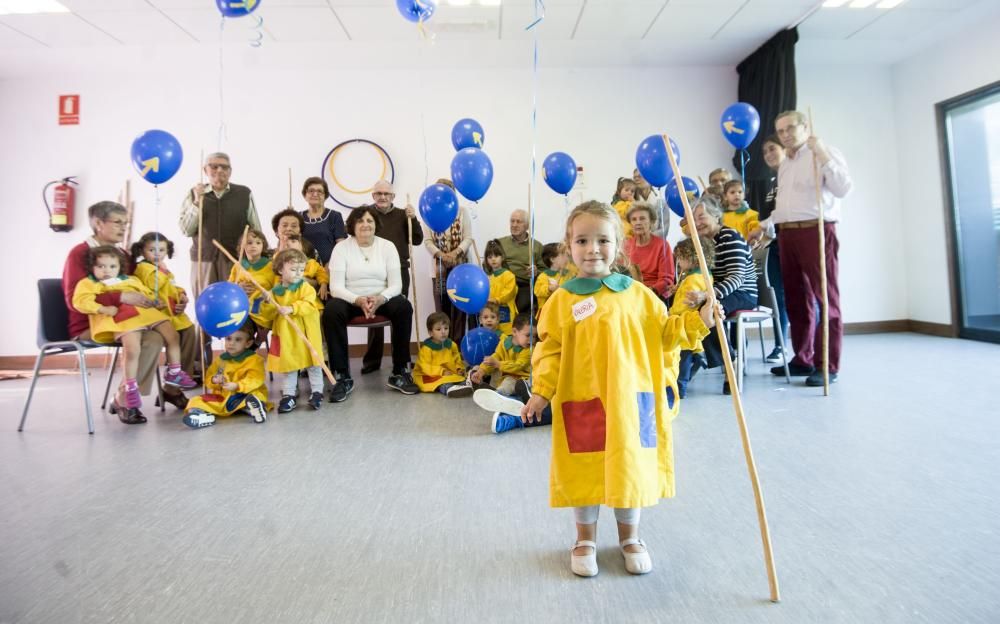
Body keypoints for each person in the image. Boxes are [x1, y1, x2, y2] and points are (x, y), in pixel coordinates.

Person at [520, 200, 716, 578]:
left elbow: (667, 335)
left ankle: (631, 538)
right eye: (582, 240)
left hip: (629, 401)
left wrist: (700, 320)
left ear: (619, 244)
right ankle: (585, 539)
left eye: (602, 240)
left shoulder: (638, 295)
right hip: (583, 399)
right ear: (568, 245)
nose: (592, 249)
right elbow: (549, 349)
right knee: (585, 469)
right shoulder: (562, 301)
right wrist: (542, 390)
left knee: (629, 467)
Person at [748, 111, 853, 386]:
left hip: (816, 230)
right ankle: (803, 358)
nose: (785, 135)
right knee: (796, 299)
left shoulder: (824, 153)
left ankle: (828, 364)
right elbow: (784, 209)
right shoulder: (786, 164)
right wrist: (764, 225)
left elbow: (843, 188)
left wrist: (823, 155)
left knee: (825, 298)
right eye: (780, 131)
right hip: (788, 234)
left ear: (804, 127)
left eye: (790, 128)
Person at [62, 201, 189, 422]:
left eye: (126, 223)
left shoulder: (122, 253)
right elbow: (74, 300)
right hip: (92, 324)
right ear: (98, 223)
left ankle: (169, 389)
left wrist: (176, 296)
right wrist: (119, 297)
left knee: (181, 330)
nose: (124, 227)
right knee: (151, 339)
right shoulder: (80, 253)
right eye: (118, 222)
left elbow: (139, 285)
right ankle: (124, 398)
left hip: (129, 318)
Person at [72, 246, 197, 422]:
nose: (107, 271)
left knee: (173, 335)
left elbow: (146, 293)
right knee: (133, 349)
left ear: (119, 267)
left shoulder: (131, 279)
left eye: (112, 267)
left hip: (147, 314)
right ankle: (129, 387)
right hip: (124, 317)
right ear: (92, 267)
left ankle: (174, 372)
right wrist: (102, 308)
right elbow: (80, 301)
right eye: (101, 266)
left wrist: (155, 302)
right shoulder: (89, 283)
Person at [324, 207, 418, 402]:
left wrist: (380, 298)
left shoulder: (387, 246)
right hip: (351, 298)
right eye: (360, 221)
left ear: (376, 224)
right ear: (352, 225)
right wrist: (357, 300)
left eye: (369, 221)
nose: (365, 224)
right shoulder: (341, 249)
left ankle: (400, 371)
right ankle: (342, 375)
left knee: (403, 307)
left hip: (381, 297)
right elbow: (336, 287)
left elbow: (396, 285)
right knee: (332, 311)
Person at [684, 195, 757, 395]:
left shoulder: (729, 236)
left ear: (716, 215)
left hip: (743, 293)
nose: (697, 223)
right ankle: (696, 359)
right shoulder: (703, 242)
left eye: (701, 216)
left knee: (710, 310)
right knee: (687, 309)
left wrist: (708, 295)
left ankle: (730, 364)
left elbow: (737, 277)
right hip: (720, 293)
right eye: (692, 218)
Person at [179, 152, 260, 302]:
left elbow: (255, 230)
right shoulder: (194, 193)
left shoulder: (243, 193)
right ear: (205, 170)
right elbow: (186, 230)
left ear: (230, 171)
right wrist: (197, 202)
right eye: (214, 166)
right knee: (206, 305)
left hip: (235, 259)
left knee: (234, 303)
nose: (219, 170)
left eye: (224, 167)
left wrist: (256, 259)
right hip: (203, 260)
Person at [360, 179, 422, 375]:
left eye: (387, 194)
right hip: (373, 271)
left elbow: (418, 239)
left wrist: (413, 219)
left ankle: (400, 361)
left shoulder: (404, 214)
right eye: (379, 194)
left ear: (393, 196)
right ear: (373, 196)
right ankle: (372, 360)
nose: (383, 197)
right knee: (373, 313)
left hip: (400, 270)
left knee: (400, 314)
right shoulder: (365, 215)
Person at [258, 248, 325, 413]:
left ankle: (317, 392)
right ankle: (288, 396)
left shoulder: (306, 288)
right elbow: (267, 315)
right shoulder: (275, 292)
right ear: (281, 270)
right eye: (293, 269)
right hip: (287, 335)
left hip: (307, 333)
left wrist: (292, 308)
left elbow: (309, 305)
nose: (298, 273)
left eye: (301, 270)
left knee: (313, 364)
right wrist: (267, 302)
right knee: (290, 366)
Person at [130, 232, 198, 378]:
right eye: (151, 250)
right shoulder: (143, 268)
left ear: (167, 251)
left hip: (173, 313)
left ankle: (184, 374)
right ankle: (176, 372)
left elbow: (172, 286)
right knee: (179, 336)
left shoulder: (164, 270)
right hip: (157, 316)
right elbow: (154, 285)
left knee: (190, 331)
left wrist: (182, 295)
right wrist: (162, 270)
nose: (157, 254)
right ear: (142, 251)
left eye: (161, 250)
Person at [183, 320, 269, 427]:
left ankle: (254, 409)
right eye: (228, 338)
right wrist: (214, 380)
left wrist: (238, 386)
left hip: (243, 395)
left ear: (248, 343)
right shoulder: (220, 360)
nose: (231, 343)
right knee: (196, 400)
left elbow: (255, 379)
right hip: (222, 397)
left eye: (238, 340)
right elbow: (208, 378)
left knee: (253, 397)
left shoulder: (254, 360)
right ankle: (200, 416)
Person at [423, 178, 474, 343]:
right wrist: (442, 256)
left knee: (460, 306)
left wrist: (455, 253)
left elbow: (468, 237)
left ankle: (457, 344)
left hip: (462, 268)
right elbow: (428, 241)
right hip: (439, 268)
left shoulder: (462, 211)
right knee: (442, 307)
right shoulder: (429, 211)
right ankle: (442, 343)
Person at [757, 134, 789, 364]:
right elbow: (768, 218)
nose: (768, 154)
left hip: (794, 242)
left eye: (772, 149)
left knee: (797, 297)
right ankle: (780, 345)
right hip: (776, 247)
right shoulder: (771, 183)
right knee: (778, 297)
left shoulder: (792, 177)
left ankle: (808, 351)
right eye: (765, 152)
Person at [671, 236, 716, 398]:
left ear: (693, 258)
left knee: (682, 358)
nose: (679, 263)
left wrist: (670, 314)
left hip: (685, 323)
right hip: (694, 324)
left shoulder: (692, 280)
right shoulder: (704, 275)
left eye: (681, 258)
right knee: (690, 353)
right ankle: (699, 359)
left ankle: (680, 388)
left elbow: (686, 302)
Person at [412, 312, 474, 398]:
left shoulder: (451, 345)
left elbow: (457, 359)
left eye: (446, 328)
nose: (443, 332)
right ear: (430, 332)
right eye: (438, 329)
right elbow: (425, 366)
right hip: (428, 374)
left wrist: (459, 368)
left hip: (448, 373)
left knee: (460, 378)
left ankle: (466, 385)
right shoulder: (426, 349)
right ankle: (449, 389)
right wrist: (441, 372)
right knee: (442, 383)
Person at [497, 209, 545, 317]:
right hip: (503, 284)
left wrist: (536, 272)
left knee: (524, 301)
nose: (514, 225)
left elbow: (546, 271)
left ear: (527, 226)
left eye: (519, 222)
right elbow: (487, 265)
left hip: (525, 286)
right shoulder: (499, 243)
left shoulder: (536, 246)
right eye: (512, 221)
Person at [470, 313, 532, 394]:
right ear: (514, 332)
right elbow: (496, 356)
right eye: (528, 335)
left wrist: (498, 364)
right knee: (488, 368)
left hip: (523, 379)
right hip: (506, 376)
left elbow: (518, 365)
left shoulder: (529, 349)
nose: (531, 340)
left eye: (534, 336)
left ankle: (497, 393)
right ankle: (484, 385)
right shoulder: (503, 343)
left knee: (508, 383)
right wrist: (482, 371)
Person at [623, 201, 674, 299]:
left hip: (655, 294)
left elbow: (666, 279)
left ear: (651, 222)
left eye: (642, 218)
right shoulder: (626, 245)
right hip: (630, 294)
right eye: (634, 219)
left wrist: (649, 291)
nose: (638, 222)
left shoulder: (662, 245)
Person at [299, 177, 347, 267]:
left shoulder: (334, 216)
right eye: (311, 191)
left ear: (325, 196)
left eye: (319, 191)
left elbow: (341, 246)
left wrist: (333, 264)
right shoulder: (298, 217)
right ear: (305, 195)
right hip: (302, 267)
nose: (315, 194)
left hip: (329, 267)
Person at [283, 234, 329, 307]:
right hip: (289, 298)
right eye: (286, 244)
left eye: (293, 241)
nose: (288, 243)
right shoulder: (283, 263)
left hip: (308, 296)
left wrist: (324, 284)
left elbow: (321, 273)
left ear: (304, 246)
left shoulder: (311, 263)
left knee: (318, 310)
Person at [483, 239, 518, 334]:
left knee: (505, 336)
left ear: (502, 257)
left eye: (496, 256)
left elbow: (509, 292)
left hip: (504, 312)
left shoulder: (509, 275)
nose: (493, 259)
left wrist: (497, 299)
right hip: (491, 313)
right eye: (490, 257)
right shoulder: (488, 278)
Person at [534, 243, 574, 312]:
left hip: (566, 310)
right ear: (552, 259)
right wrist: (549, 289)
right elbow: (538, 291)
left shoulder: (570, 274)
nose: (567, 257)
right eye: (563, 254)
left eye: (567, 254)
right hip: (548, 313)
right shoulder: (544, 276)